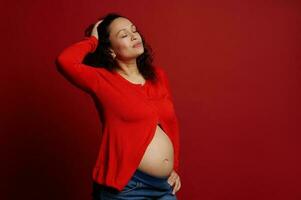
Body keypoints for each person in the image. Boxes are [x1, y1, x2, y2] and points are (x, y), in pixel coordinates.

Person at [56, 12, 181, 200]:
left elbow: (171, 125)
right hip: (127, 187)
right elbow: (65, 61)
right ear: (110, 50)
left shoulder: (158, 76)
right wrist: (92, 41)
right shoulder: (102, 80)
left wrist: (173, 168)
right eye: (123, 35)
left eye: (134, 30)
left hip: (163, 186)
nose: (133, 36)